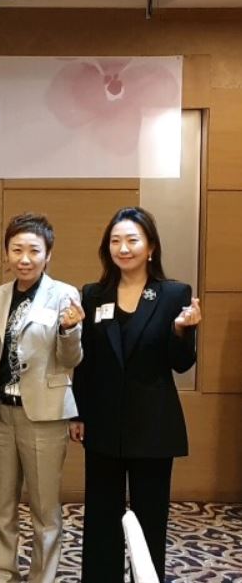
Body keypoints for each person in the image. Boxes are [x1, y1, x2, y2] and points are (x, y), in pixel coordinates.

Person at [74, 207, 201, 582]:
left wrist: (182, 331)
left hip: (152, 426)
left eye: (132, 240)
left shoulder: (173, 294)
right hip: (103, 423)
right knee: (101, 517)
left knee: (150, 518)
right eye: (115, 241)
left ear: (151, 247)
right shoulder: (93, 295)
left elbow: (181, 364)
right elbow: (85, 361)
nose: (123, 248)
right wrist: (78, 413)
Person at [0, 213, 84, 583]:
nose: (24, 258)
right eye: (16, 249)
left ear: (48, 254)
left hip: (45, 417)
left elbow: (70, 360)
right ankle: (3, 574)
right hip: (2, 414)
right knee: (1, 506)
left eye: (34, 250)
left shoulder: (65, 294)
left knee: (44, 510)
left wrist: (70, 331)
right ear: (6, 252)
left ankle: (41, 578)